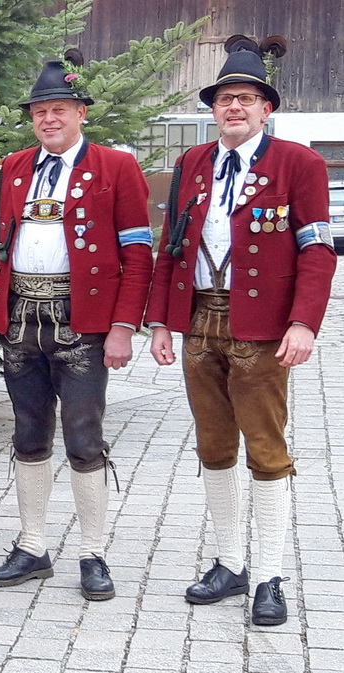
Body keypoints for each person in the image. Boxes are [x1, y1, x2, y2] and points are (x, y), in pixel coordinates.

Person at [145, 36, 333, 627]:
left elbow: (317, 250)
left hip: (262, 329)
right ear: (214, 107)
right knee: (214, 447)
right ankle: (230, 563)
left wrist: (304, 322)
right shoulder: (191, 165)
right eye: (226, 98)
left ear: (266, 109)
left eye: (247, 99)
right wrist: (159, 321)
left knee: (267, 450)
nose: (235, 108)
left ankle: (270, 575)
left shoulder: (299, 164)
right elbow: (171, 248)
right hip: (200, 322)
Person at [0, 51, 152, 601]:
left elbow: (138, 255)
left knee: (85, 440)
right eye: (41, 111)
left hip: (83, 323)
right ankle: (33, 544)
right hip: (20, 319)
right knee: (28, 434)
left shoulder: (116, 168)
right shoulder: (12, 168)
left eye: (60, 109)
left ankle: (93, 553)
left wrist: (123, 327)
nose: (49, 119)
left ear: (80, 113)